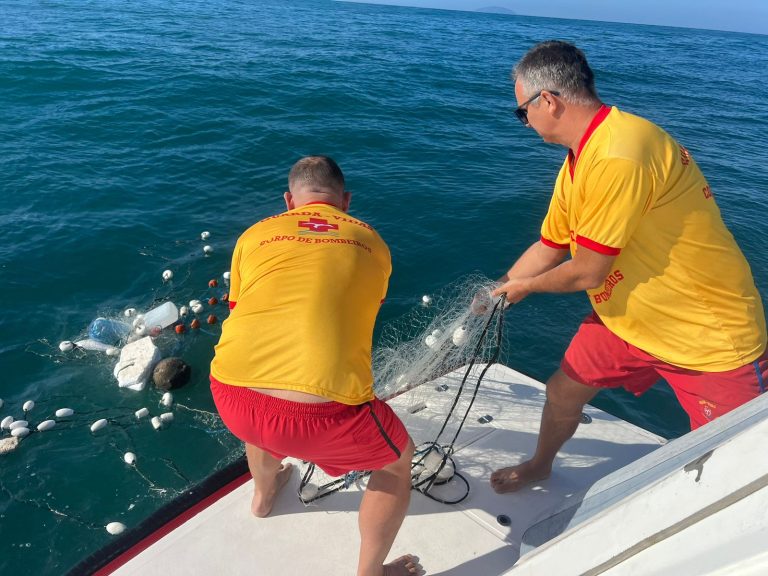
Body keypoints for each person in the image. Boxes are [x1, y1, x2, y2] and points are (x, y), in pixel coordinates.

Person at [486, 40, 767, 494]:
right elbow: (550, 244)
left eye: (522, 112)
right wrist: (496, 291)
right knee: (563, 391)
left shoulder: (620, 154)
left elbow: (587, 272)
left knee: (737, 462)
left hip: (707, 337)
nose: (525, 122)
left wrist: (525, 289)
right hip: (629, 316)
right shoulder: (580, 158)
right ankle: (540, 464)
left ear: (549, 101)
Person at [209, 156, 421, 576]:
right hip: (324, 415)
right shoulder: (373, 242)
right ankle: (370, 574)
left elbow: (241, 308)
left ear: (289, 201)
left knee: (263, 390)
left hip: (231, 394)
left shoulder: (254, 234)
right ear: (345, 201)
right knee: (398, 461)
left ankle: (263, 497)